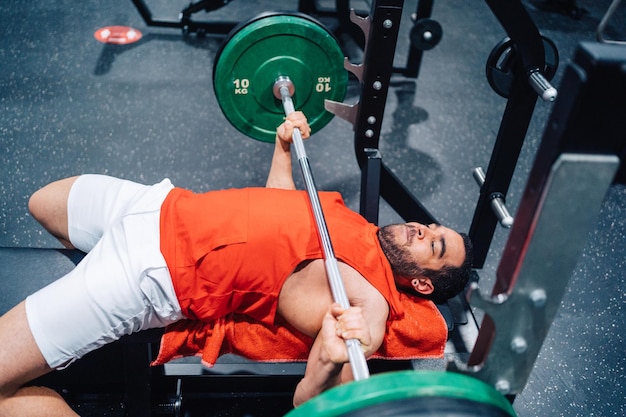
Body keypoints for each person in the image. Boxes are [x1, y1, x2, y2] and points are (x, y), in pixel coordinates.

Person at [0, 112, 472, 416]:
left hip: (152, 271)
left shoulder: (371, 301)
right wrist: (283, 150)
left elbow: (312, 399)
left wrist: (331, 357)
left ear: (423, 285)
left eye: (435, 247)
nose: (423, 230)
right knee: (45, 202)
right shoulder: (354, 226)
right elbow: (279, 214)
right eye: (432, 229)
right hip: (160, 205)